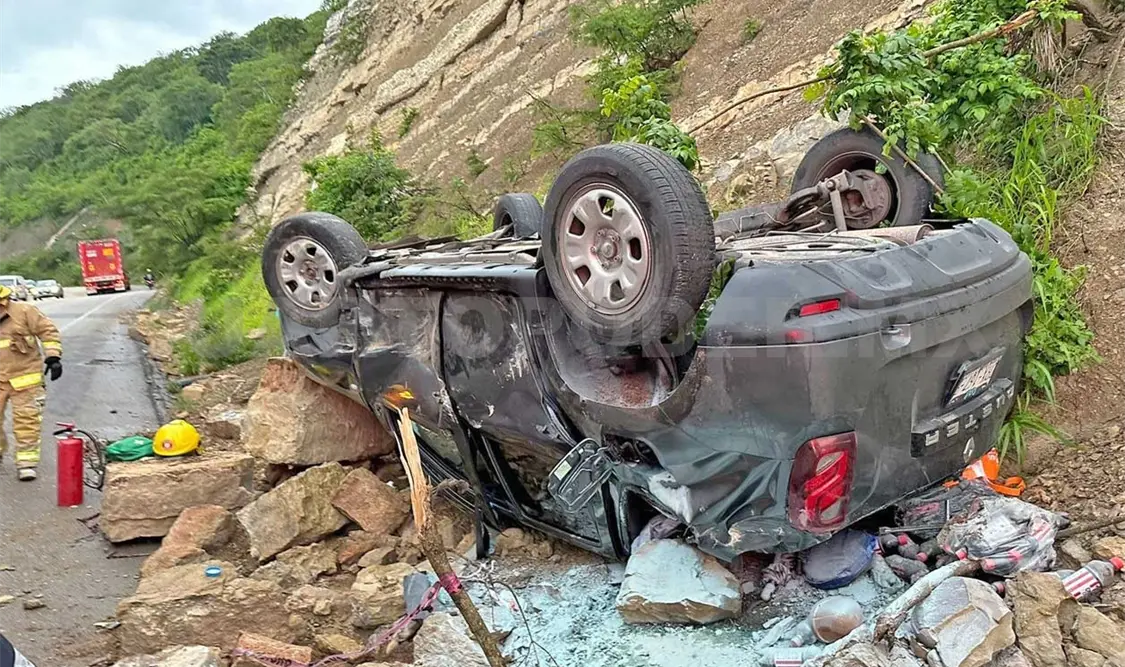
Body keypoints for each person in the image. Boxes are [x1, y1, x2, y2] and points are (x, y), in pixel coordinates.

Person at [0, 284, 62, 481]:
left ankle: (26, 463)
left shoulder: (24, 311)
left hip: (26, 377)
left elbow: (48, 331)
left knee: (27, 421)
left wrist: (53, 357)